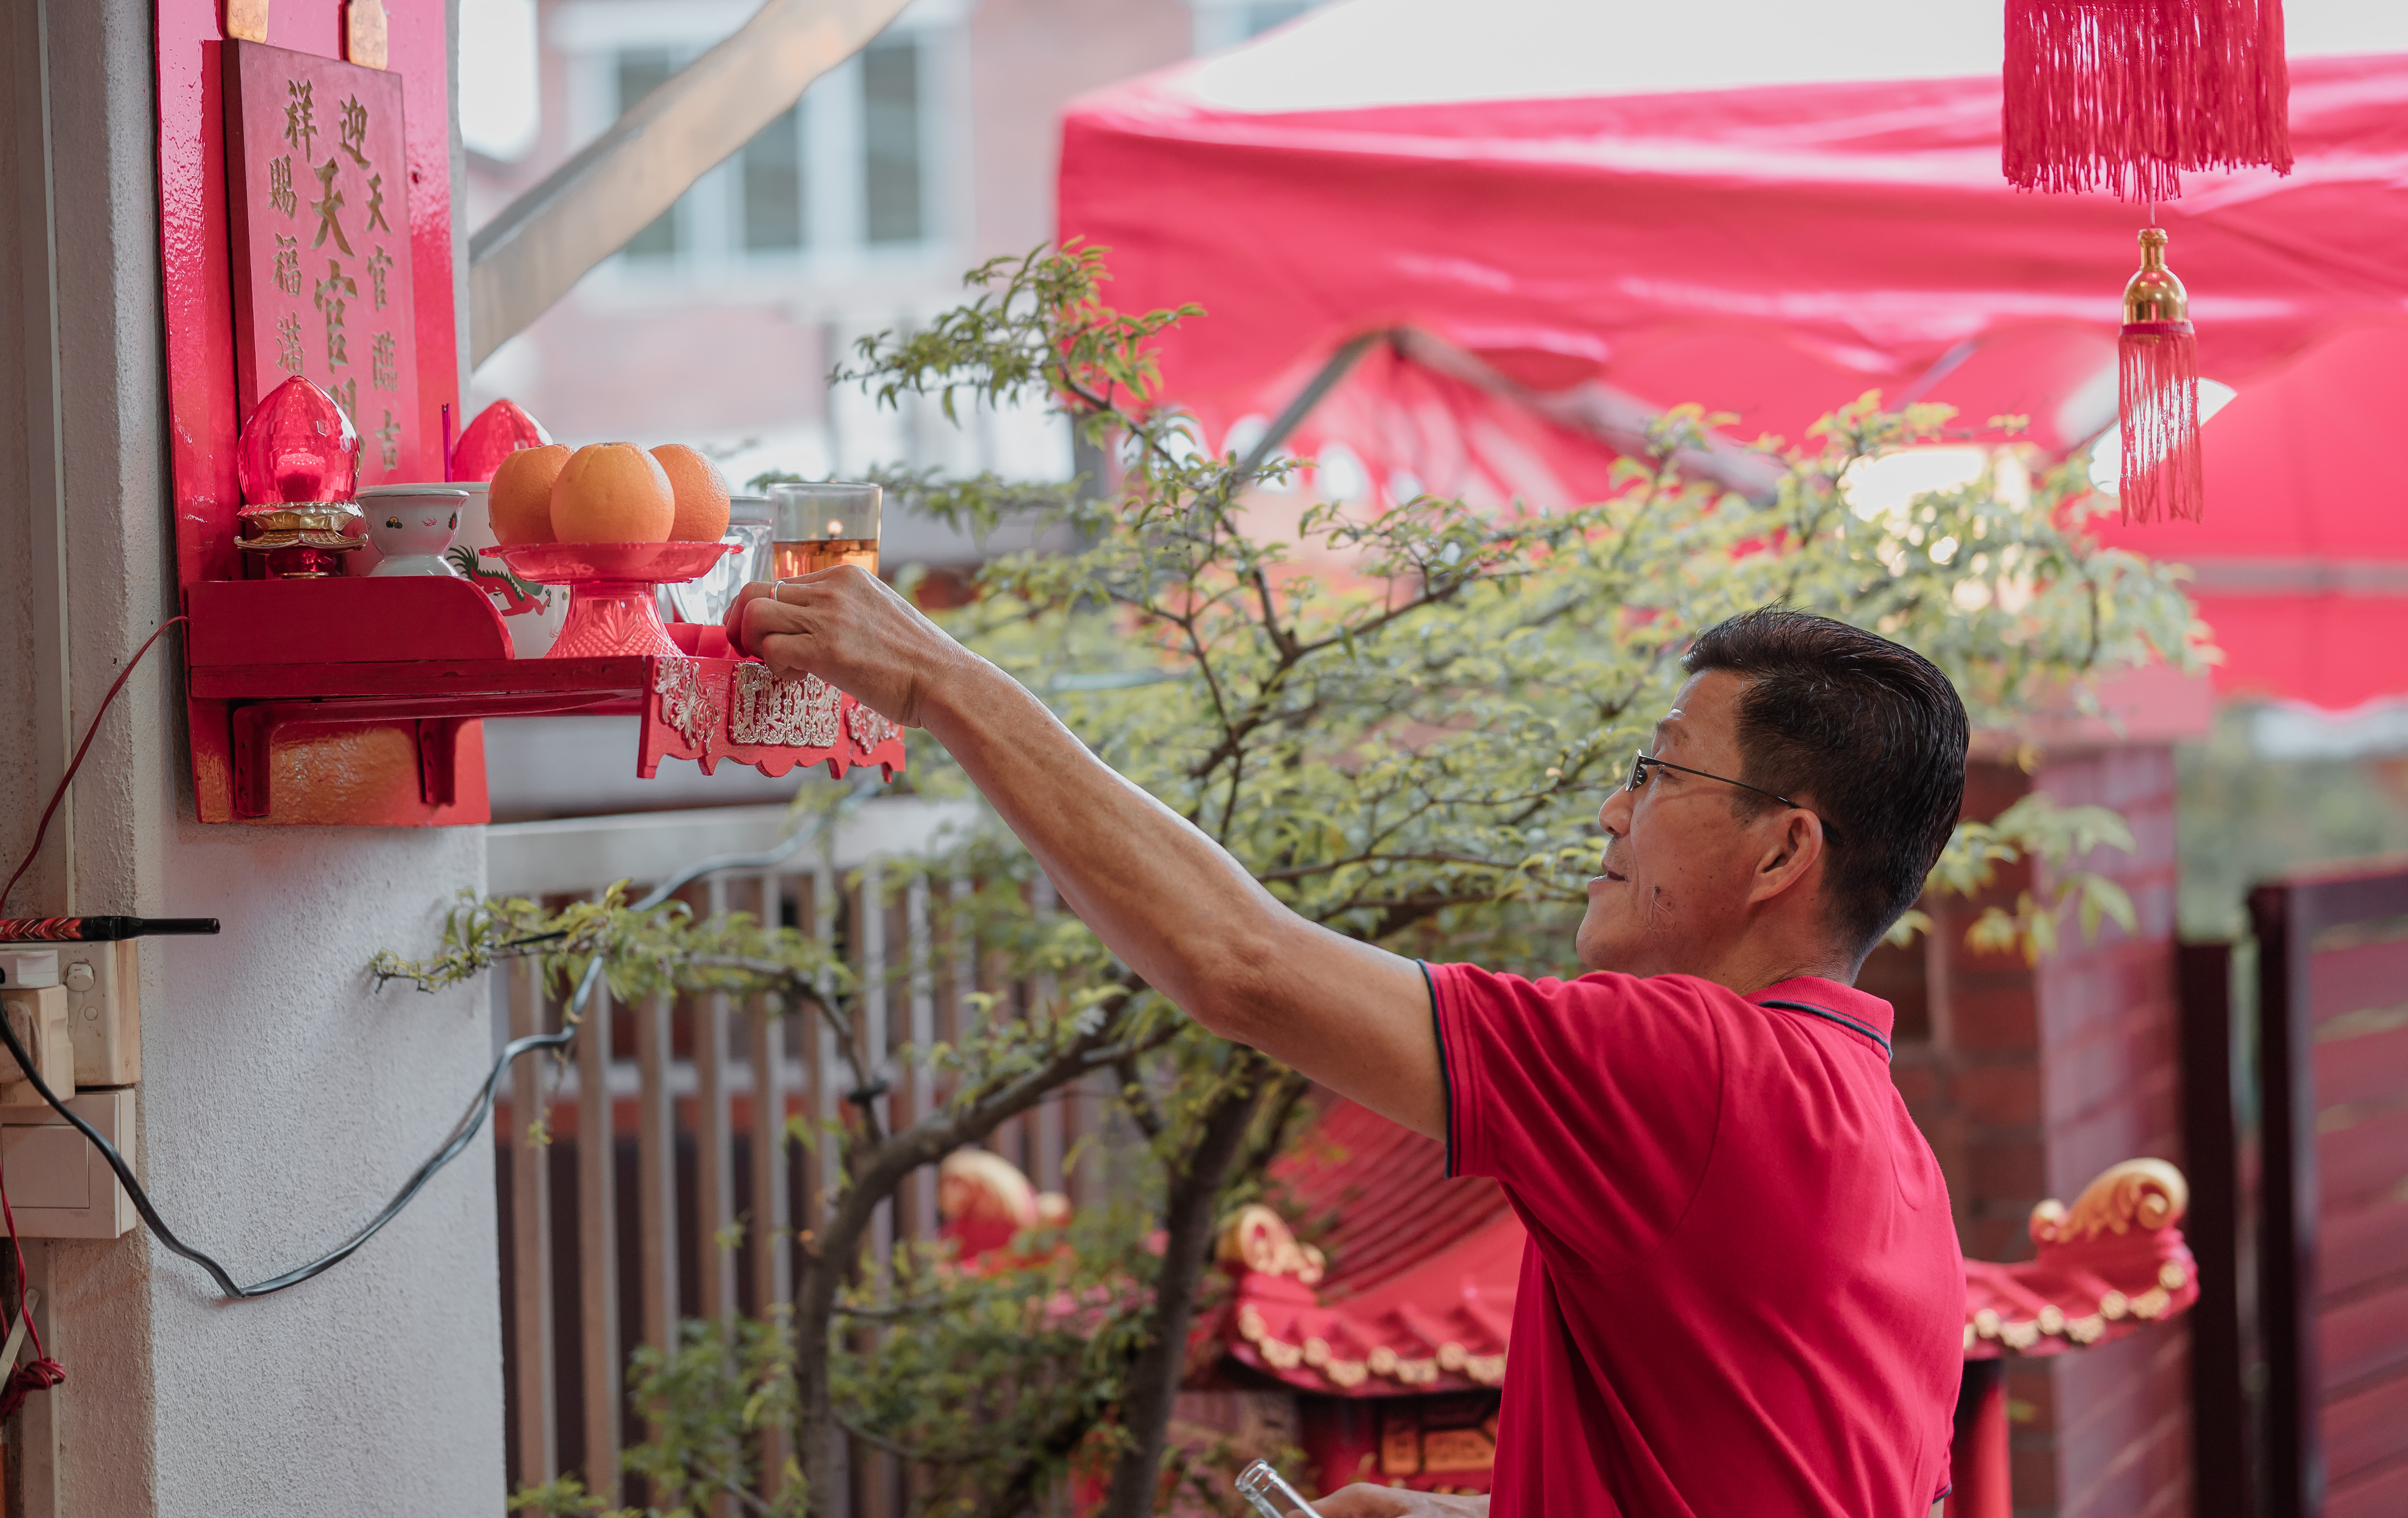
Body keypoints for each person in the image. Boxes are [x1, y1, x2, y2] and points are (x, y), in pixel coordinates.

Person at [728, 574, 1968, 1518]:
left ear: (1782, 851)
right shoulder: (1893, 1156)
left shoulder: (1699, 1069)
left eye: (1658, 774)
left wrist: (939, 683)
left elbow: (1240, 962)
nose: (1612, 809)